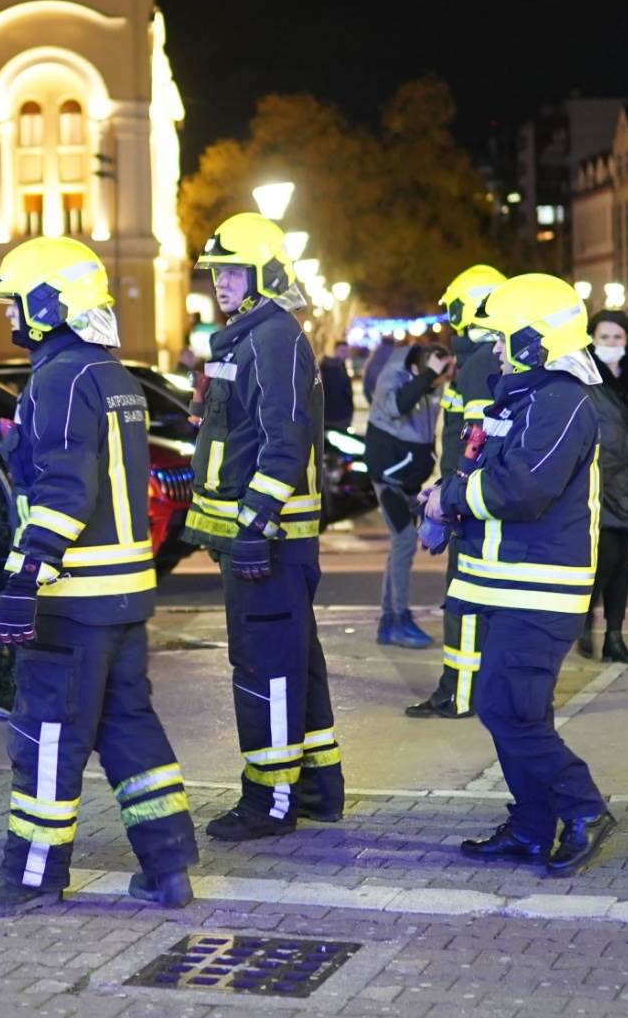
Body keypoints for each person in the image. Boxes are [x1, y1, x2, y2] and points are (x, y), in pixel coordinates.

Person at [0, 236, 198, 917]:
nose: (9, 317)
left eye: (16, 303)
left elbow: (65, 491)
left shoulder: (59, 381)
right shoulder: (111, 376)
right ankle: (168, 865)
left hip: (71, 602)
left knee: (47, 739)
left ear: (47, 303)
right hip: (125, 597)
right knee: (129, 730)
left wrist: (25, 578)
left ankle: (32, 876)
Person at [422, 272, 615, 878]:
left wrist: (450, 496)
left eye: (504, 338)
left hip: (542, 587)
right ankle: (533, 826)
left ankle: (582, 808)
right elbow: (487, 465)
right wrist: (448, 496)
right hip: (509, 583)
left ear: (537, 340)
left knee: (509, 711)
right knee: (508, 707)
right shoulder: (527, 397)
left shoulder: (562, 399)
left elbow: (524, 488)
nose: (497, 349)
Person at [182, 212, 344, 841]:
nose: (220, 281)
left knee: (265, 670)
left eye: (232, 270)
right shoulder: (250, 338)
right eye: (217, 271)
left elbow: (285, 440)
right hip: (262, 541)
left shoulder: (272, 337)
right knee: (294, 663)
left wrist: (254, 524)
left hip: (269, 543)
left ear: (265, 274)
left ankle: (270, 802)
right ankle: (316, 789)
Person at [405, 264, 506, 720]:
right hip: (465, 498)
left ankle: (459, 694)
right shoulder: (480, 362)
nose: (452, 322)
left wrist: (451, 497)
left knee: (465, 602)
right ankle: (467, 689)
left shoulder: (483, 363)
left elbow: (477, 443)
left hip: (468, 506)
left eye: (456, 311)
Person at [364, 341, 450, 648]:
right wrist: (429, 374)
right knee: (403, 545)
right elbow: (397, 406)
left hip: (406, 480)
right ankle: (395, 620)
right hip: (388, 479)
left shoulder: (426, 385)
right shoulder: (396, 377)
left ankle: (392, 621)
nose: (443, 376)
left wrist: (434, 378)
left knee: (401, 547)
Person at [579, 310, 628, 664]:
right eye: (604, 337)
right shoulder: (583, 376)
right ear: (592, 339)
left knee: (622, 562)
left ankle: (614, 636)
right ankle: (583, 620)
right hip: (598, 479)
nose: (611, 344)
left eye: (618, 337)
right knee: (605, 558)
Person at [320, 341, 355, 432]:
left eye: (346, 351)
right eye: (342, 351)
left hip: (337, 417)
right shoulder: (332, 369)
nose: (345, 354)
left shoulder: (339, 367)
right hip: (335, 418)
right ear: (335, 351)